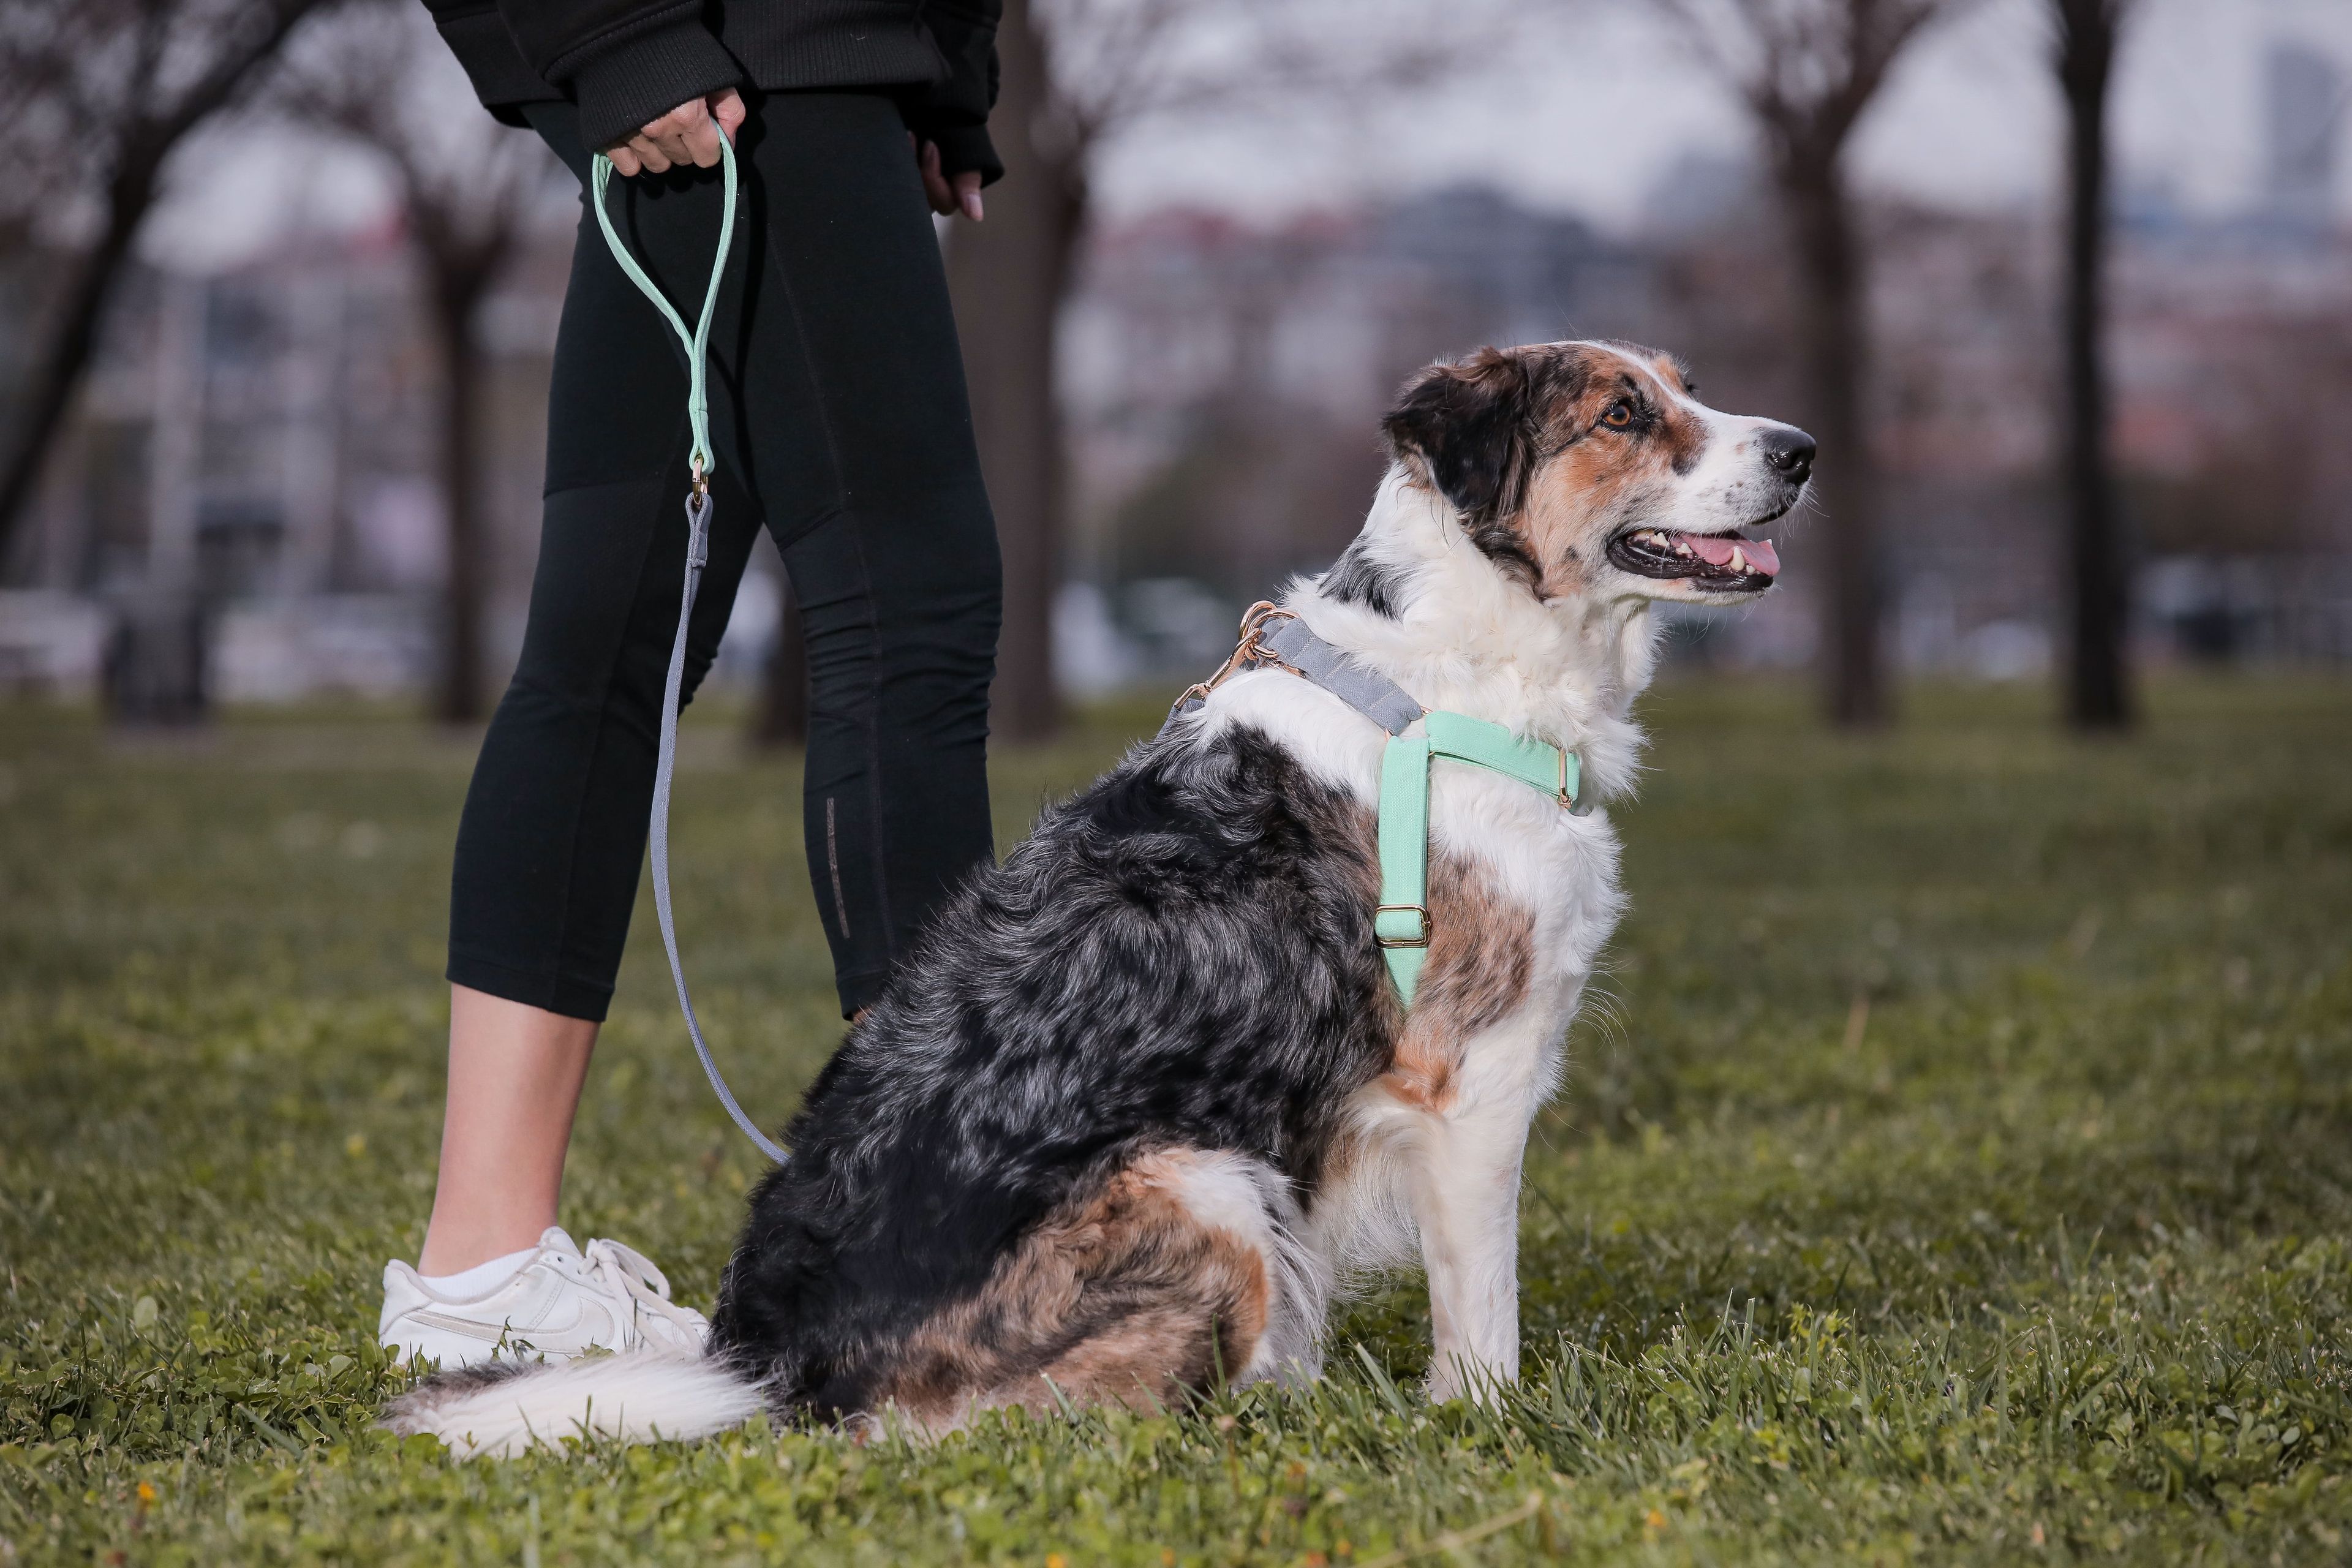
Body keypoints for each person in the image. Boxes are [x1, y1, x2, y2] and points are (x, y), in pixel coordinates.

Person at [379, 0, 1005, 1367]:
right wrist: (612, 31)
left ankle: (481, 1264)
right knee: (909, 605)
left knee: (611, 636)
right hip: (740, 48)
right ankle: (932, 1255)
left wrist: (942, 70)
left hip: (775, 51)